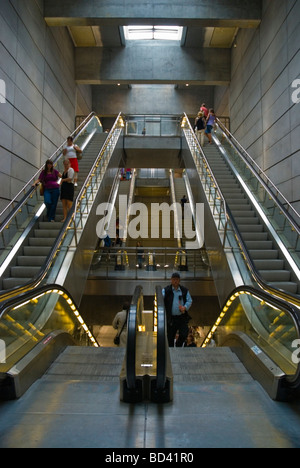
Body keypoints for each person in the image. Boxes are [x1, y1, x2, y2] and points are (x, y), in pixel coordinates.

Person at [162, 272, 193, 347]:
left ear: (179, 280)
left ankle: (178, 344)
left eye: (177, 279)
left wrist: (185, 307)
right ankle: (171, 353)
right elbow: (160, 297)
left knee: (184, 333)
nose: (175, 281)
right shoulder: (166, 290)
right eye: (174, 279)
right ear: (171, 280)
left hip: (181, 317)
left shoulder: (184, 290)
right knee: (170, 337)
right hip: (171, 318)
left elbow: (189, 300)